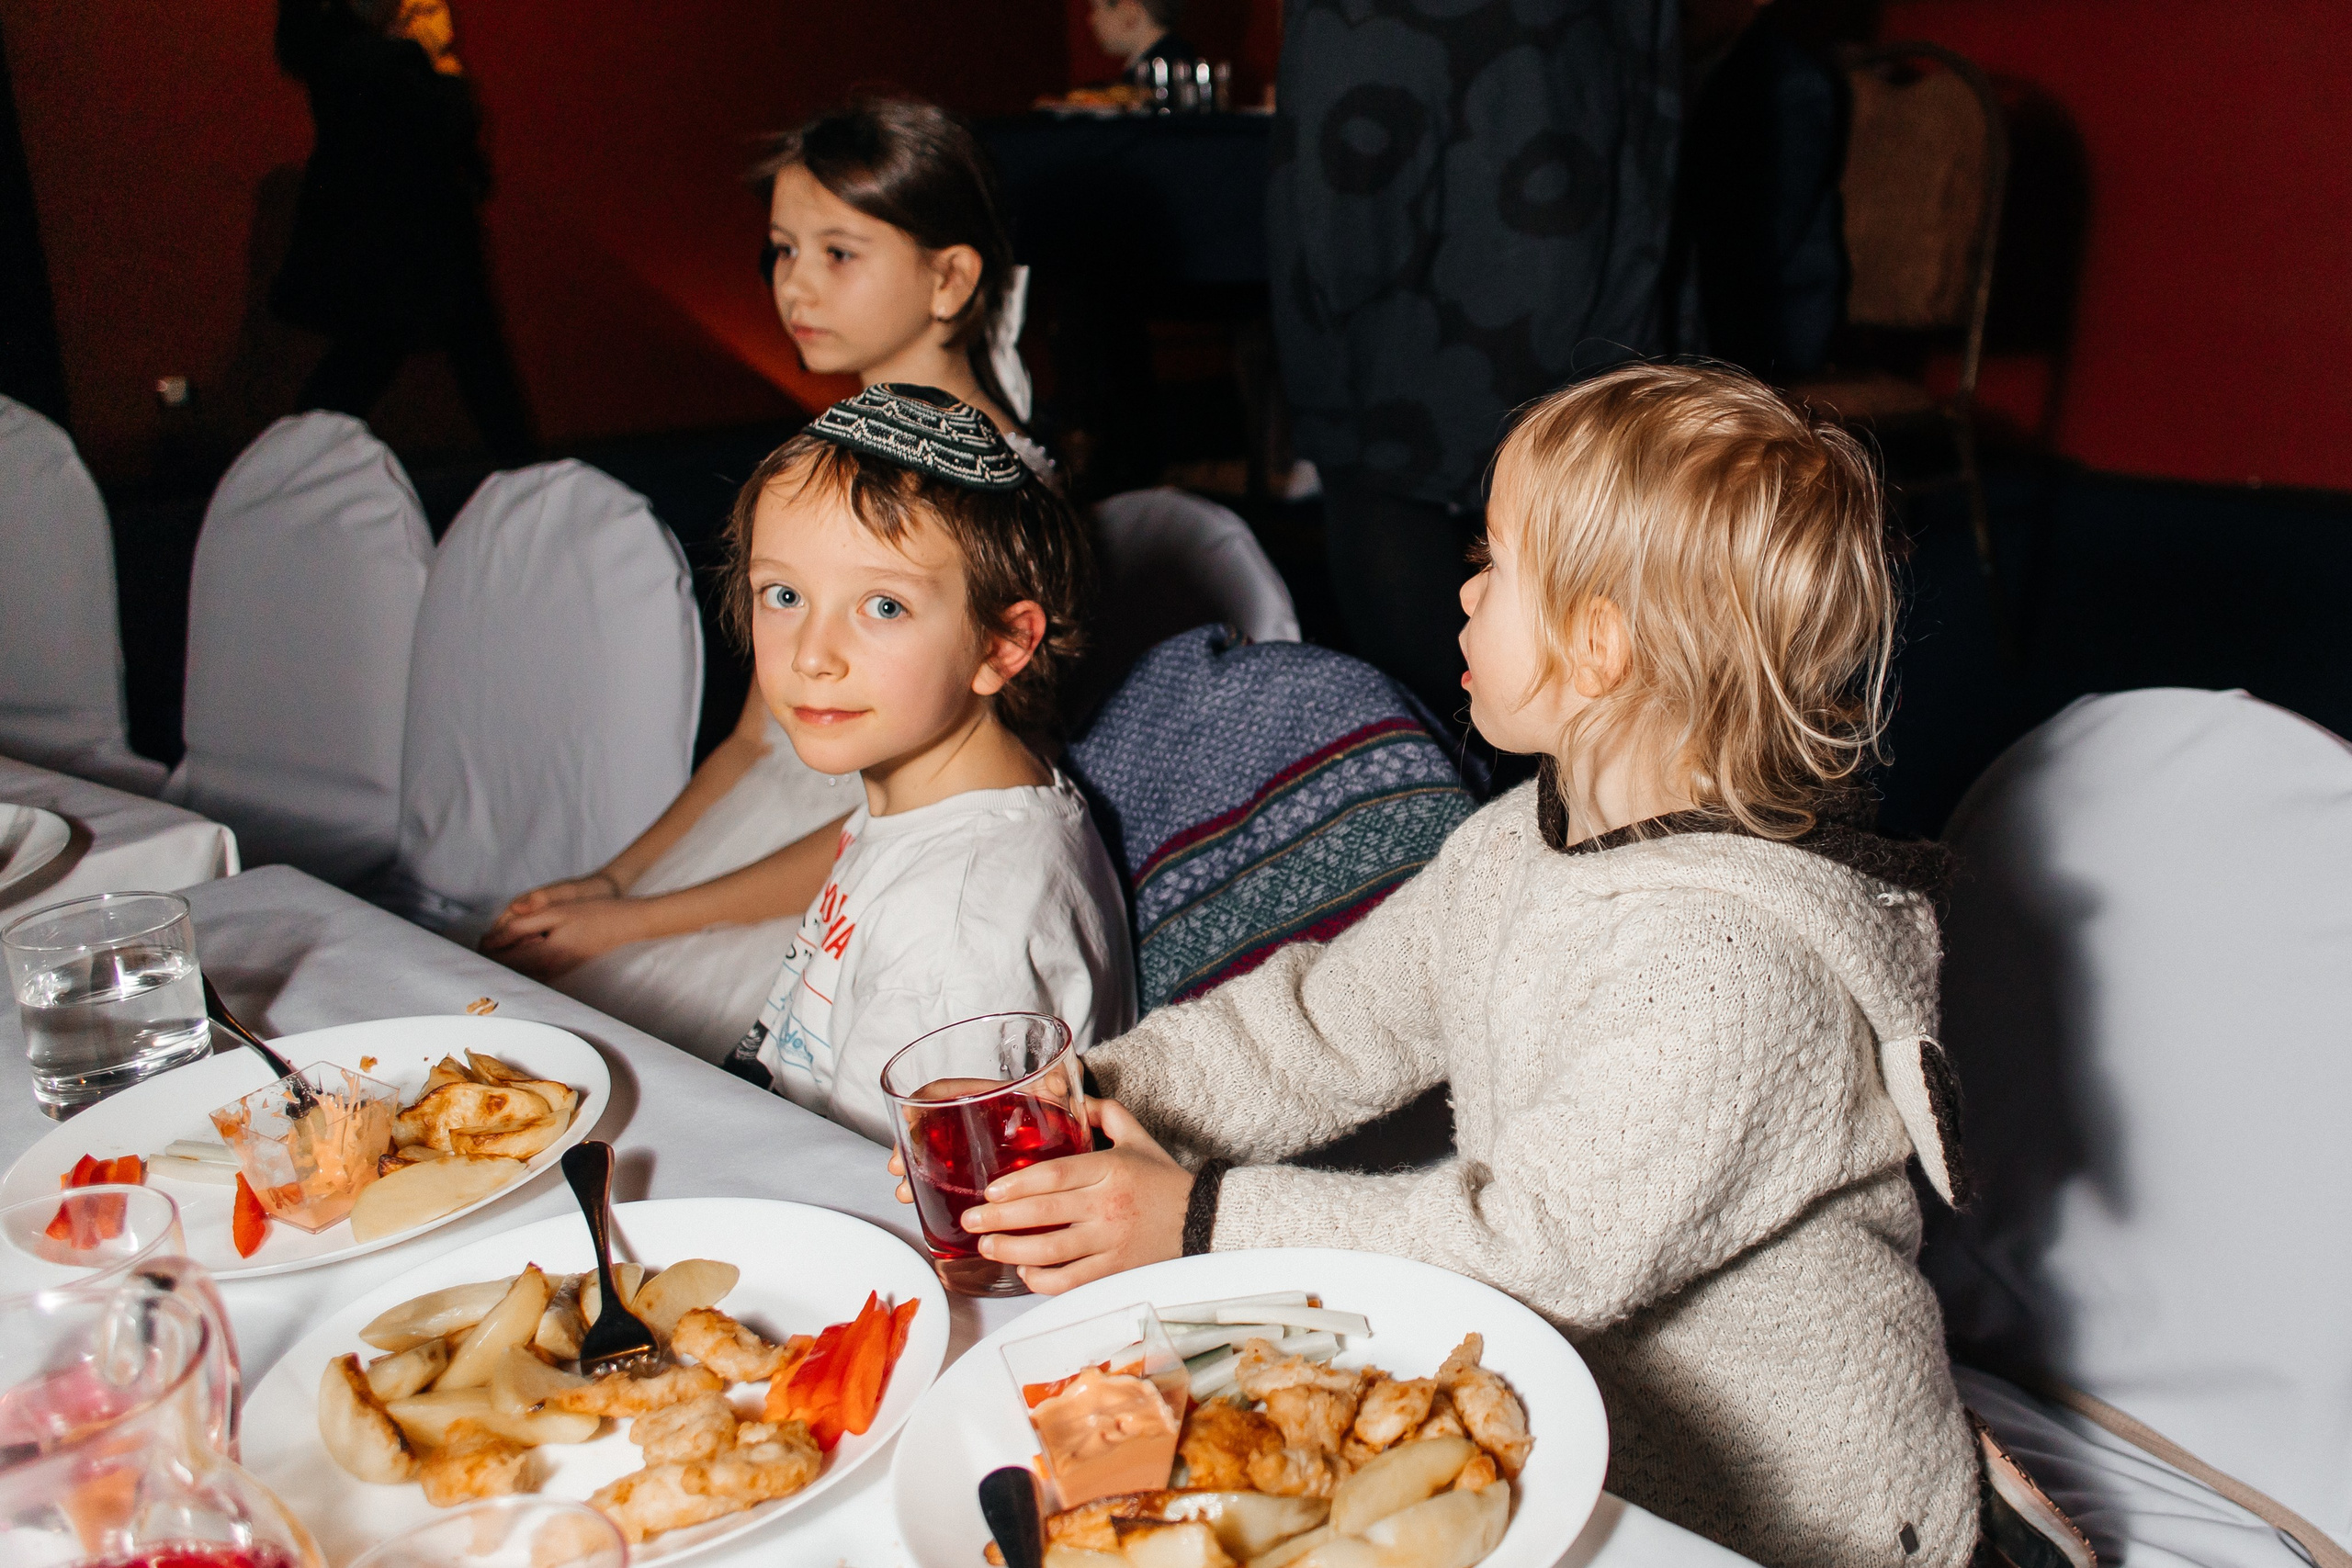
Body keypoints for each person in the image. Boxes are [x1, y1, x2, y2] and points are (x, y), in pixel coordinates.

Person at [938, 363, 1985, 1568]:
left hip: (1778, 1507)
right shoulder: (1514, 843)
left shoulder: (1729, 974)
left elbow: (1532, 1247)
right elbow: (1319, 1024)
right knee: (1087, 1437)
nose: (1464, 589)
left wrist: (1200, 1217)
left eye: (1492, 563)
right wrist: (1103, 1096)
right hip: (1572, 1398)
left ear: (1597, 646)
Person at [480, 98, 1045, 1061]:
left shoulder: (994, 496)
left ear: (948, 277)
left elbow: (932, 809)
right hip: (758, 838)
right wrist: (621, 883)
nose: (796, 287)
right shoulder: (818, 465)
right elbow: (751, 740)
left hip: (855, 875)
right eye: (783, 251)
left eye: (838, 253)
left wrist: (646, 924)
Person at [715, 384, 1134, 1145]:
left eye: (883, 606)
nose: (811, 654)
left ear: (1001, 644)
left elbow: (904, 1201)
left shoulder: (953, 935)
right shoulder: (932, 795)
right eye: (783, 594)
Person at [1267, 0, 1679, 728]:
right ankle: (1494, 773)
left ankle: (1471, 771)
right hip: (1541, 89)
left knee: (1394, 429)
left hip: (1513, 92)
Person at [271, 0, 534, 460]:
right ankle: (531, 481)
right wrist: (442, 62)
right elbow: (447, 124)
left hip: (382, 239)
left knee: (371, 359)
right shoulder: (376, 59)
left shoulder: (335, 51)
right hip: (412, 239)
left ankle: (289, 470)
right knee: (469, 363)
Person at [1085, 0, 1197, 87]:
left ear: (1130, 12)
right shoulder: (1181, 61)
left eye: (1097, 8)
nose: (1091, 20)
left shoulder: (1154, 81)